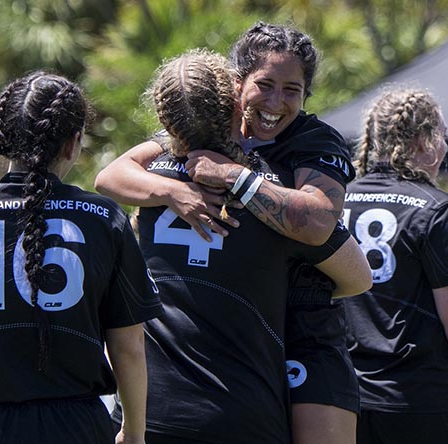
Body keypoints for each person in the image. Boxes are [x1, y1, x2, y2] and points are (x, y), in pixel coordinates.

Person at [95, 22, 369, 444]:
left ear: (306, 94)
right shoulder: (192, 140)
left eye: (292, 90)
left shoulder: (315, 141)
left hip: (306, 329)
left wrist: (235, 178)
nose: (276, 102)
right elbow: (110, 176)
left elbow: (319, 224)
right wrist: (173, 191)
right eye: (265, 85)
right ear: (235, 85)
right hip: (226, 355)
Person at [0, 72, 163, 444]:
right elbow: (129, 346)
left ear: (2, 140)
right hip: (75, 426)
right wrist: (133, 432)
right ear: (74, 144)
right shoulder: (105, 220)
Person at [341, 87, 448, 444]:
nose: (446, 149)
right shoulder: (437, 208)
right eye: (443, 136)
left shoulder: (338, 198)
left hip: (348, 398)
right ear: (423, 140)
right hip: (424, 400)